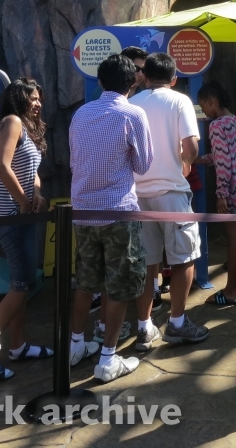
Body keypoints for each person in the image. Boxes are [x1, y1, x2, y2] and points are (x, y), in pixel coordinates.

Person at [68, 54, 152, 383]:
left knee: (86, 281)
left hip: (83, 210)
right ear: (132, 82)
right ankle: (107, 358)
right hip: (118, 211)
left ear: (100, 82)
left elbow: (76, 159)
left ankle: (76, 343)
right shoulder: (133, 114)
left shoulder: (81, 114)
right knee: (119, 285)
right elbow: (144, 164)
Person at [131, 53, 210, 348]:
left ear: (146, 76)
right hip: (172, 192)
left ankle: (143, 326)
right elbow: (190, 146)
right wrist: (186, 162)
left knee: (145, 261)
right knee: (184, 257)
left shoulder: (133, 103)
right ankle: (176, 322)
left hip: (137, 196)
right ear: (174, 79)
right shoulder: (179, 101)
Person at [0, 78, 50, 380]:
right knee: (21, 282)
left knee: (21, 281)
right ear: (18, 99)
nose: (36, 103)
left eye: (39, 98)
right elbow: (1, 166)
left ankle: (18, 344)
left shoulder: (29, 127)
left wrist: (36, 193)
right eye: (31, 98)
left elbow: (31, 170)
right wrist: (24, 202)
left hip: (23, 211)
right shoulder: (12, 121)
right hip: (10, 214)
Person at [196, 82, 236, 305]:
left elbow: (224, 162)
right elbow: (230, 154)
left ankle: (231, 290)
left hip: (232, 190)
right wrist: (203, 160)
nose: (204, 112)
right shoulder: (234, 120)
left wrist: (221, 193)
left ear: (212, 100)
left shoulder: (216, 125)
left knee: (233, 238)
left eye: (203, 106)